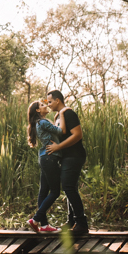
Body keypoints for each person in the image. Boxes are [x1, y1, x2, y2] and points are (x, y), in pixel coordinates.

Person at [44, 90, 89, 236]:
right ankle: (72, 221)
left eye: (50, 101)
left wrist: (58, 147)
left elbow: (78, 135)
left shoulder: (69, 113)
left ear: (58, 100)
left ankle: (81, 223)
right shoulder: (59, 116)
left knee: (68, 187)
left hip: (74, 156)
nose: (48, 105)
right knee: (69, 187)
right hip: (65, 157)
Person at [26, 99, 63, 233]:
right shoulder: (42, 122)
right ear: (38, 111)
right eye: (42, 105)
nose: (46, 105)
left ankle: (44, 225)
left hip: (44, 158)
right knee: (55, 192)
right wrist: (62, 115)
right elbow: (60, 131)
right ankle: (35, 220)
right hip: (50, 158)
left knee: (43, 192)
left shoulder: (38, 123)